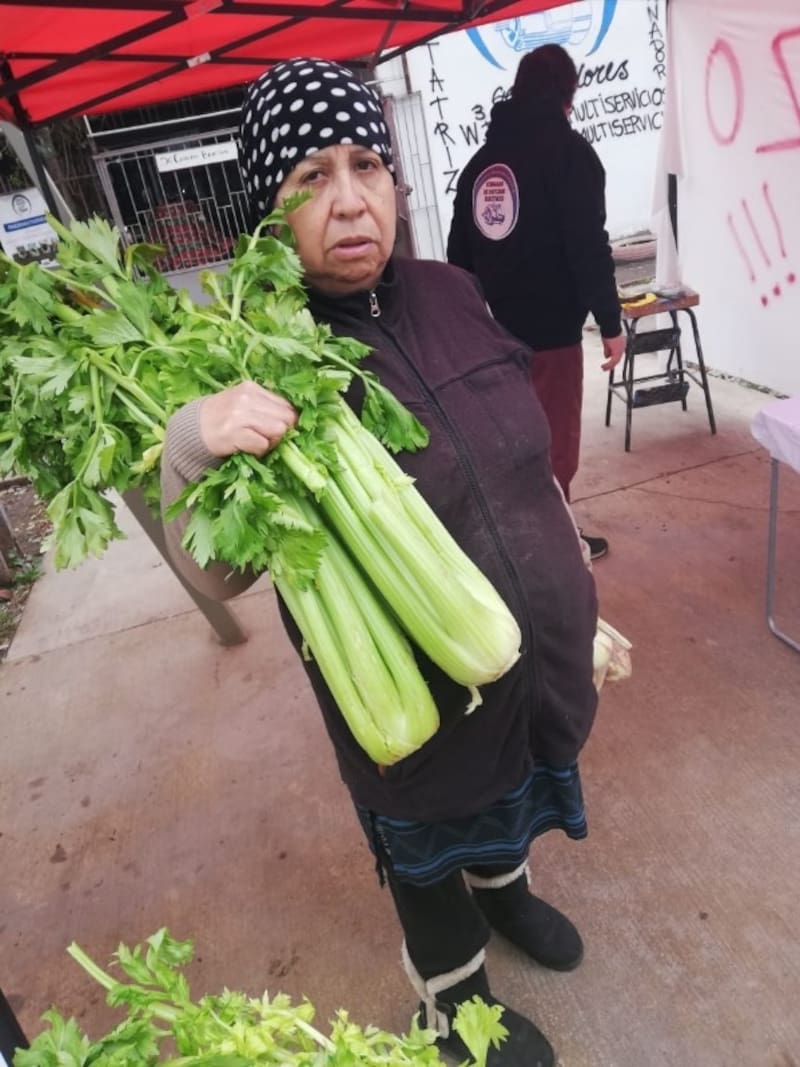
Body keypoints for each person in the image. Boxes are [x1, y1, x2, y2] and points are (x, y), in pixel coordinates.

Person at [161, 58, 603, 1067]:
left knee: (513, 796)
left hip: (529, 661)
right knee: (426, 853)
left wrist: (567, 552)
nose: (350, 199)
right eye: (310, 177)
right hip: (411, 698)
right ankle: (455, 1001)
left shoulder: (454, 289)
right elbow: (218, 574)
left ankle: (508, 896)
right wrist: (194, 437)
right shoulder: (253, 355)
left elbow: (521, 451)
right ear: (267, 209)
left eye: (366, 164)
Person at [447, 44, 626, 561]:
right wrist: (610, 322)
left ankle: (530, 536)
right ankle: (556, 549)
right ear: (568, 94)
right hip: (553, 335)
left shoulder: (481, 166)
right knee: (554, 444)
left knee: (513, 440)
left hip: (495, 336)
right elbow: (588, 245)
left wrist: (473, 327)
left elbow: (459, 258)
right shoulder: (570, 155)